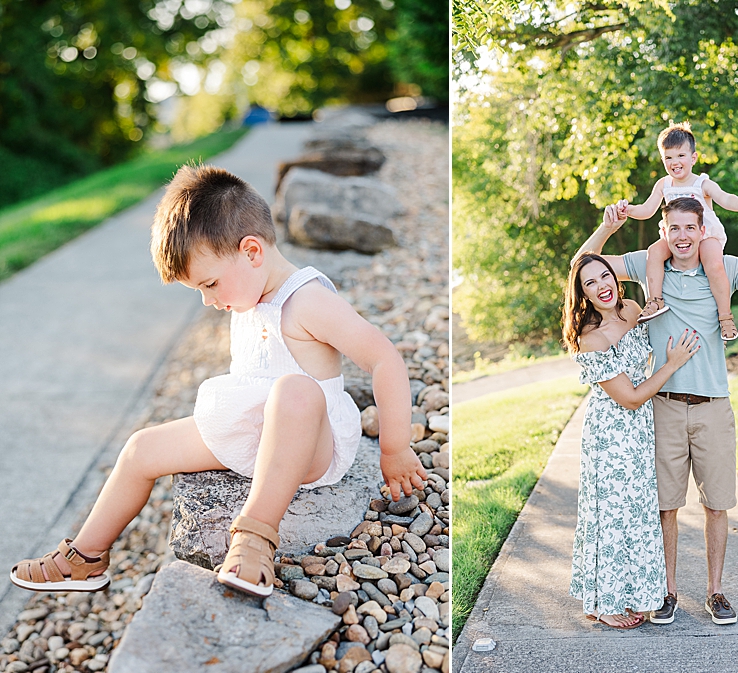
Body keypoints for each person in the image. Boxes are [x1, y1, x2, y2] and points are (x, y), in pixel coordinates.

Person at [10, 164, 427, 598]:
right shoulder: (248, 293)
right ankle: (85, 557)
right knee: (140, 449)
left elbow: (384, 359)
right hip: (252, 433)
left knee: (294, 389)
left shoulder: (307, 301)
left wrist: (394, 448)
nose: (209, 301)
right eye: (200, 292)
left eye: (210, 284)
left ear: (252, 252)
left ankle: (255, 536)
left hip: (310, 443)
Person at [575, 196, 738, 625]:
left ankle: (715, 592)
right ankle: (666, 591)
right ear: (664, 232)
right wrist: (606, 227)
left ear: (703, 231)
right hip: (662, 408)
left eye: (689, 228)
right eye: (672, 228)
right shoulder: (646, 268)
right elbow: (584, 267)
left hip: (714, 406)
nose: (681, 236)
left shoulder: (725, 269)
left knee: (717, 505)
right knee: (665, 507)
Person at [563, 252, 700, 629]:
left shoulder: (633, 309)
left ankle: (623, 594)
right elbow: (631, 396)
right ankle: (603, 603)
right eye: (589, 283)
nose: (601, 286)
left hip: (639, 432)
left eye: (604, 276)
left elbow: (658, 255)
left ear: (615, 278)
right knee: (609, 514)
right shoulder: (591, 338)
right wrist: (672, 364)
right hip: (611, 435)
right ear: (583, 295)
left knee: (634, 514)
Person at [618, 122, 738, 342]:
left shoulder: (702, 183)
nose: (675, 163)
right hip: (674, 237)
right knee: (654, 252)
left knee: (713, 263)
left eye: (680, 156)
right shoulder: (664, 185)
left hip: (705, 235)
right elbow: (646, 209)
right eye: (668, 158)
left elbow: (725, 198)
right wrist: (628, 210)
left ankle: (725, 315)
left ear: (693, 158)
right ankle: (655, 300)